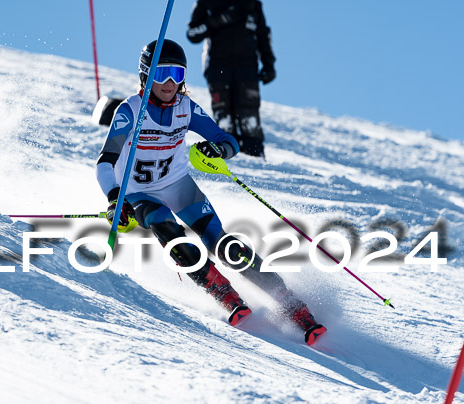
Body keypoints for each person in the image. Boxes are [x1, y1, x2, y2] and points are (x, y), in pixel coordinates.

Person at [95, 39, 325, 345]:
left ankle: (291, 305)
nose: (169, 83)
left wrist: (218, 148)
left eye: (177, 74)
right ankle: (223, 293)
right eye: (161, 74)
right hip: (138, 191)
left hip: (178, 184)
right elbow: (104, 162)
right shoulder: (129, 110)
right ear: (145, 75)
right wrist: (114, 198)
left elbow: (227, 140)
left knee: (223, 243)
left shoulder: (186, 108)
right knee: (165, 225)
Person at [186, 0, 276, 158]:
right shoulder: (206, 3)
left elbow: (263, 35)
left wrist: (269, 64)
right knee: (224, 119)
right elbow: (192, 33)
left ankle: (256, 161)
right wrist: (219, 20)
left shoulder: (252, 4)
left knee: (249, 120)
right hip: (217, 68)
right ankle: (228, 160)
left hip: (247, 69)